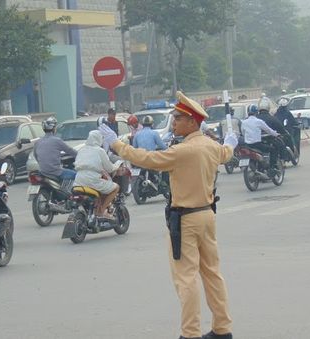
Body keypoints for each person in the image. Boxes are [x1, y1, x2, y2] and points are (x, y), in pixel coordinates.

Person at [99, 91, 236, 339]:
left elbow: (147, 159)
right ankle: (222, 328)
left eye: (178, 118)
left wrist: (116, 144)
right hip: (206, 215)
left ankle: (190, 333)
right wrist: (230, 143)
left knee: (186, 279)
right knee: (212, 274)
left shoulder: (184, 151)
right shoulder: (211, 146)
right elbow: (226, 153)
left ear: (192, 121)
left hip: (186, 220)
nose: (174, 123)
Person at [73, 130, 122, 220]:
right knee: (116, 188)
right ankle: (101, 211)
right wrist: (117, 166)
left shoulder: (81, 150)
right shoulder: (100, 151)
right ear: (99, 139)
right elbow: (109, 168)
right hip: (92, 180)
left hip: (78, 180)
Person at [33, 117, 77, 181]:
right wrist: (80, 155)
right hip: (56, 172)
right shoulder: (57, 141)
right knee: (76, 175)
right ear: (54, 129)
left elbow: (36, 156)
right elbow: (71, 151)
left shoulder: (38, 142)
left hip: (43, 172)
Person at [241, 104, 280, 173]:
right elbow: (269, 130)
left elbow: (243, 133)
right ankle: (272, 168)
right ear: (256, 112)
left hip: (247, 146)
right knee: (273, 150)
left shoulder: (243, 122)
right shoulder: (259, 121)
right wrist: (276, 134)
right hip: (257, 145)